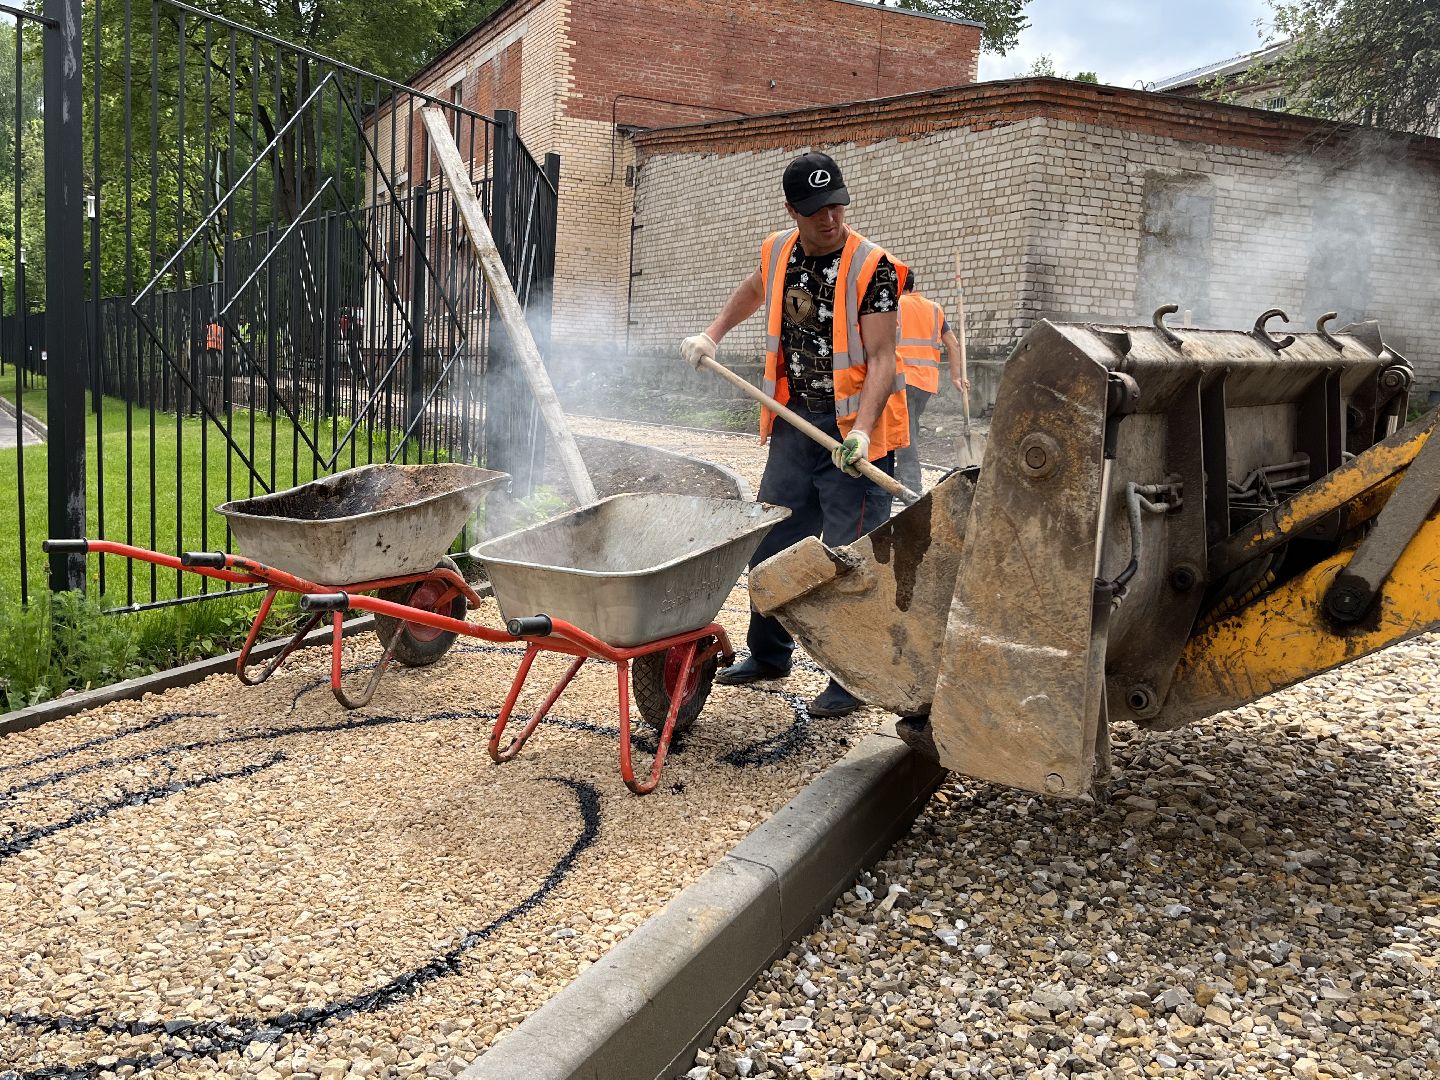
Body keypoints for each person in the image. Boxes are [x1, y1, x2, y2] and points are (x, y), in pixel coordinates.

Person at [680, 151, 909, 718]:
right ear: (792, 210)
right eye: (815, 211)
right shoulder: (779, 249)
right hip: (794, 422)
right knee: (772, 538)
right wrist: (711, 333)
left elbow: (881, 358)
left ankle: (851, 677)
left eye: (836, 205)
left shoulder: (872, 267)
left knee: (848, 556)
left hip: (855, 436)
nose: (829, 218)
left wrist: (859, 431)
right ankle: (769, 654)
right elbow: (756, 287)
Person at [894, 273, 969, 495]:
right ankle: (899, 474)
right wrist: (955, 377)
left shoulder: (894, 305)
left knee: (904, 433)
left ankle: (911, 486)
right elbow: (953, 344)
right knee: (911, 427)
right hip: (926, 383)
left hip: (901, 379)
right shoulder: (934, 308)